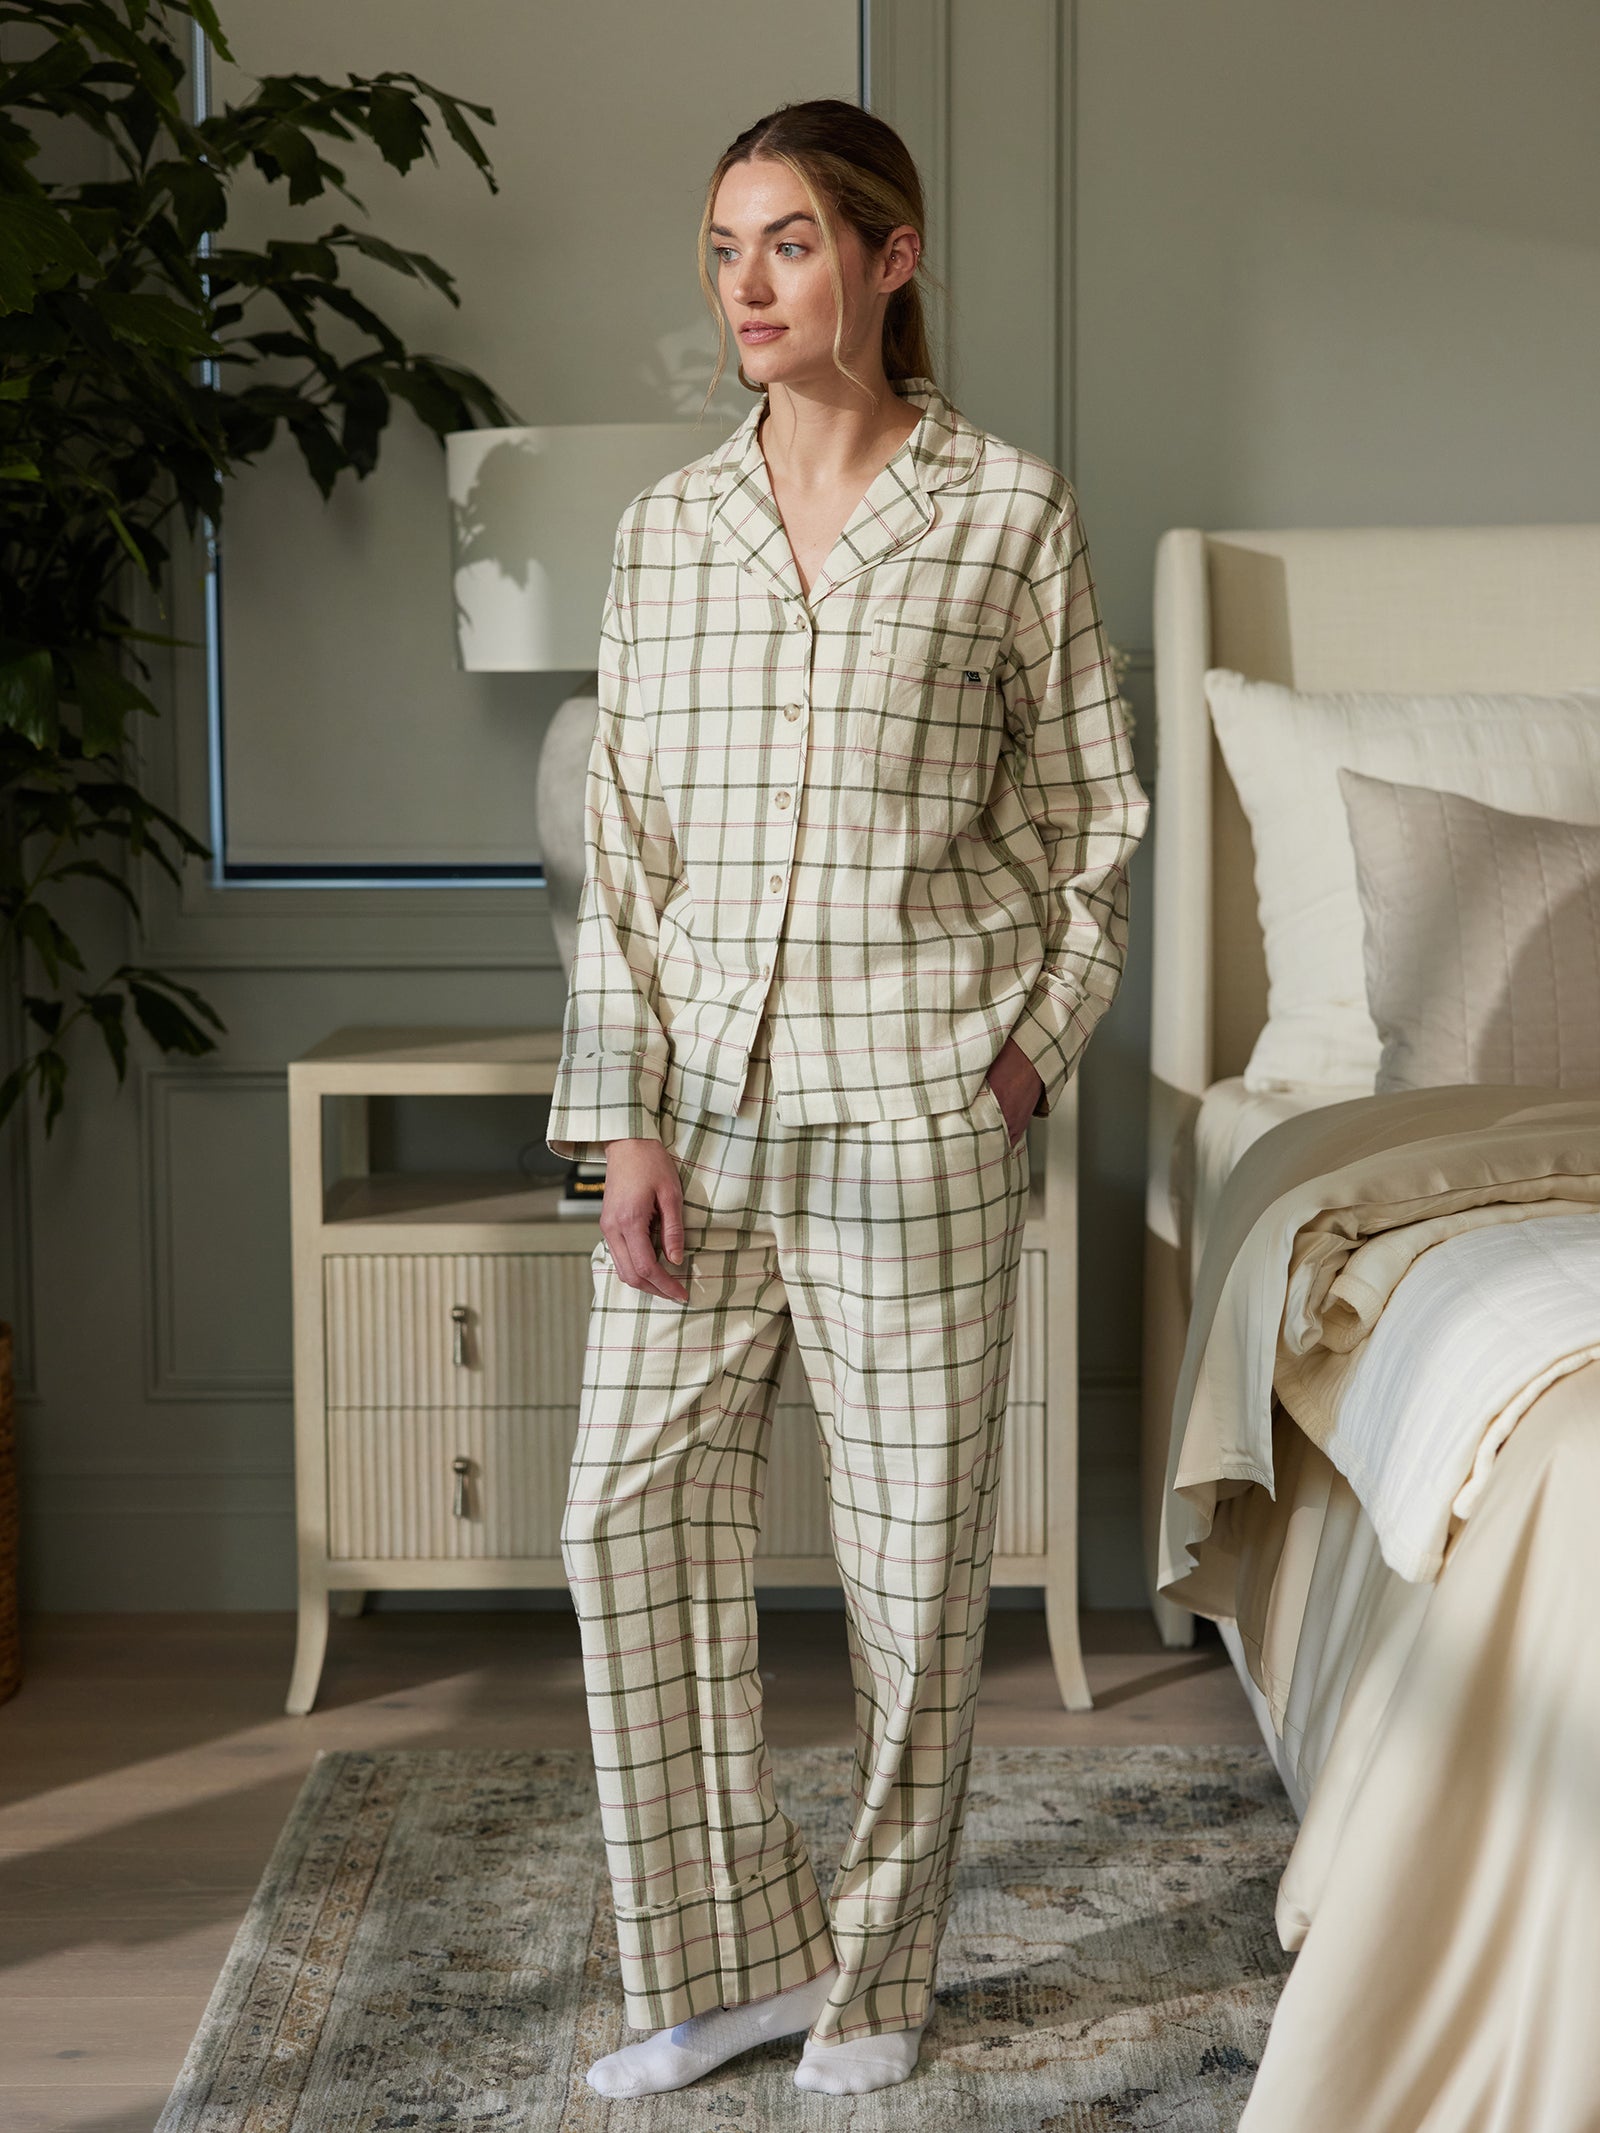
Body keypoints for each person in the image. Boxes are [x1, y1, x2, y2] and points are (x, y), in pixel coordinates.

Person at [546, 96, 1149, 2101]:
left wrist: (1017, 1056)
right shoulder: (663, 531)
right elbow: (620, 860)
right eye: (723, 246)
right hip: (699, 1106)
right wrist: (621, 1115)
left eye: (788, 242)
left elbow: (1087, 834)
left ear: (886, 258)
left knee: (906, 1568)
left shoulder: (1004, 512)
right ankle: (718, 1953)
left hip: (914, 1107)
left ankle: (876, 1975)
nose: (745, 285)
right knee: (621, 1521)